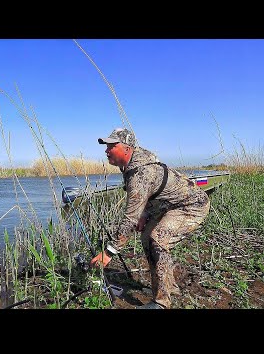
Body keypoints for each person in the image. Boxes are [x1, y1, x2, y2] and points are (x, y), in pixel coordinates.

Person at [90, 128, 211, 309]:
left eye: (111, 146)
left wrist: (108, 252)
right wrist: (145, 214)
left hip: (193, 206)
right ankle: (169, 286)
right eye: (107, 146)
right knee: (147, 236)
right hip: (171, 206)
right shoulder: (132, 165)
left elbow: (130, 218)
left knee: (158, 238)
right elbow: (149, 195)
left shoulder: (140, 173)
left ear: (126, 148)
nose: (106, 151)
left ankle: (161, 303)